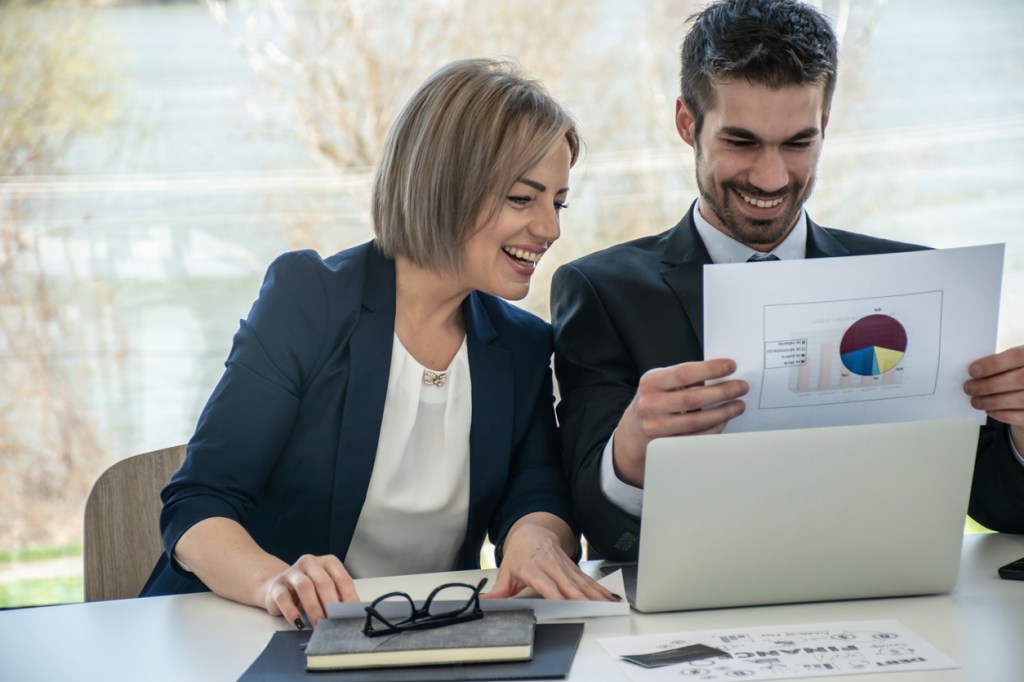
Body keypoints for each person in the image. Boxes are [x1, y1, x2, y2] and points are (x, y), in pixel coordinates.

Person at [141, 57, 617, 628]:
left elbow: (537, 491)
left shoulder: (521, 344)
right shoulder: (309, 299)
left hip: (418, 638)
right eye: (523, 199)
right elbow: (199, 501)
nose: (550, 229)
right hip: (248, 632)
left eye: (558, 203)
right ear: (446, 185)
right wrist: (274, 580)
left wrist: (536, 537)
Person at [550, 0, 1024, 561]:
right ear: (687, 123)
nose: (771, 177)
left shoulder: (917, 280)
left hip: (891, 605)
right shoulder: (602, 291)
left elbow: (996, 506)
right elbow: (597, 530)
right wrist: (628, 454)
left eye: (798, 143)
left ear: (824, 125)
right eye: (741, 141)